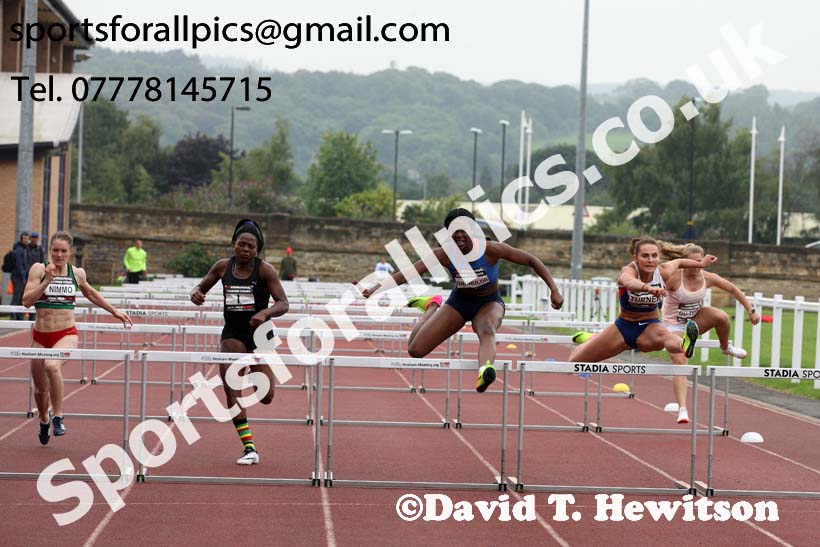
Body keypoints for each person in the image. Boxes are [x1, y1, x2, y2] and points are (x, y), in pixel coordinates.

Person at [356, 208, 564, 392]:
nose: (459, 235)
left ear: (473, 230)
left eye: (463, 230)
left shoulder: (490, 249)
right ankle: (431, 306)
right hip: (460, 302)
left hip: (489, 302)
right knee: (415, 350)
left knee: (487, 329)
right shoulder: (444, 254)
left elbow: (530, 260)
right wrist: (376, 288)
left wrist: (554, 290)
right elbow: (409, 272)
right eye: (454, 231)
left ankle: (485, 370)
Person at [567, 237, 718, 406]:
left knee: (665, 337)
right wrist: (648, 288)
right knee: (574, 364)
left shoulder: (664, 271)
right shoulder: (629, 271)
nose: (650, 260)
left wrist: (701, 264)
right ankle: (591, 340)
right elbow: (628, 282)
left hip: (649, 326)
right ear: (635, 257)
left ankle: (686, 342)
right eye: (645, 256)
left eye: (654, 255)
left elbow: (681, 262)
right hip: (623, 327)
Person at [190, 219, 289, 465]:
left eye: (251, 247)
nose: (245, 249)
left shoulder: (265, 270)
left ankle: (255, 374)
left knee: (266, 396)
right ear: (234, 244)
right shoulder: (222, 267)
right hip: (233, 332)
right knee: (231, 389)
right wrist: (197, 293)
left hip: (260, 333)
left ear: (258, 250)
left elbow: (283, 303)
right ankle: (249, 448)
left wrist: (265, 313)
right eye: (241, 244)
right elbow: (200, 288)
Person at [22, 231, 132, 444]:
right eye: (55, 250)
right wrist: (47, 281)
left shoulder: (77, 273)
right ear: (50, 250)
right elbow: (26, 301)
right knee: (40, 390)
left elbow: (91, 293)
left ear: (70, 252)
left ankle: (59, 416)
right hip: (41, 336)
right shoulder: (38, 269)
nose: (59, 255)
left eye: (63, 251)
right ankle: (44, 419)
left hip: (66, 333)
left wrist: (114, 311)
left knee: (52, 366)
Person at [659, 242, 760, 424]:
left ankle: (724, 347)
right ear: (683, 263)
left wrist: (750, 310)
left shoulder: (707, 277)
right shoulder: (674, 278)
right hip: (673, 325)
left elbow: (733, 289)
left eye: (699, 262)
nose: (696, 266)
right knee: (681, 359)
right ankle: (682, 408)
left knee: (721, 316)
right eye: (691, 263)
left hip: (695, 321)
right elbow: (652, 291)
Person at [10, 232, 30, 320]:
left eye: (27, 239)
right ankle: (13, 314)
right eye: (24, 239)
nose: (26, 240)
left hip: (22, 276)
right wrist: (23, 276)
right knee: (17, 296)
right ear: (21, 239)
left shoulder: (25, 249)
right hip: (17, 277)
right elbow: (19, 265)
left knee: (21, 296)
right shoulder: (19, 249)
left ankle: (19, 315)